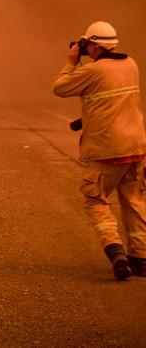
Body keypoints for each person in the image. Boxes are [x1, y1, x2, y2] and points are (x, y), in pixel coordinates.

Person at [53, 21, 146, 280]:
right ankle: (140, 259)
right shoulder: (131, 64)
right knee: (135, 202)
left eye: (86, 45)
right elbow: (113, 101)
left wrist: (72, 60)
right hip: (136, 147)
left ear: (93, 45)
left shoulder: (93, 71)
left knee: (96, 199)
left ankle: (114, 249)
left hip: (107, 150)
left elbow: (59, 87)